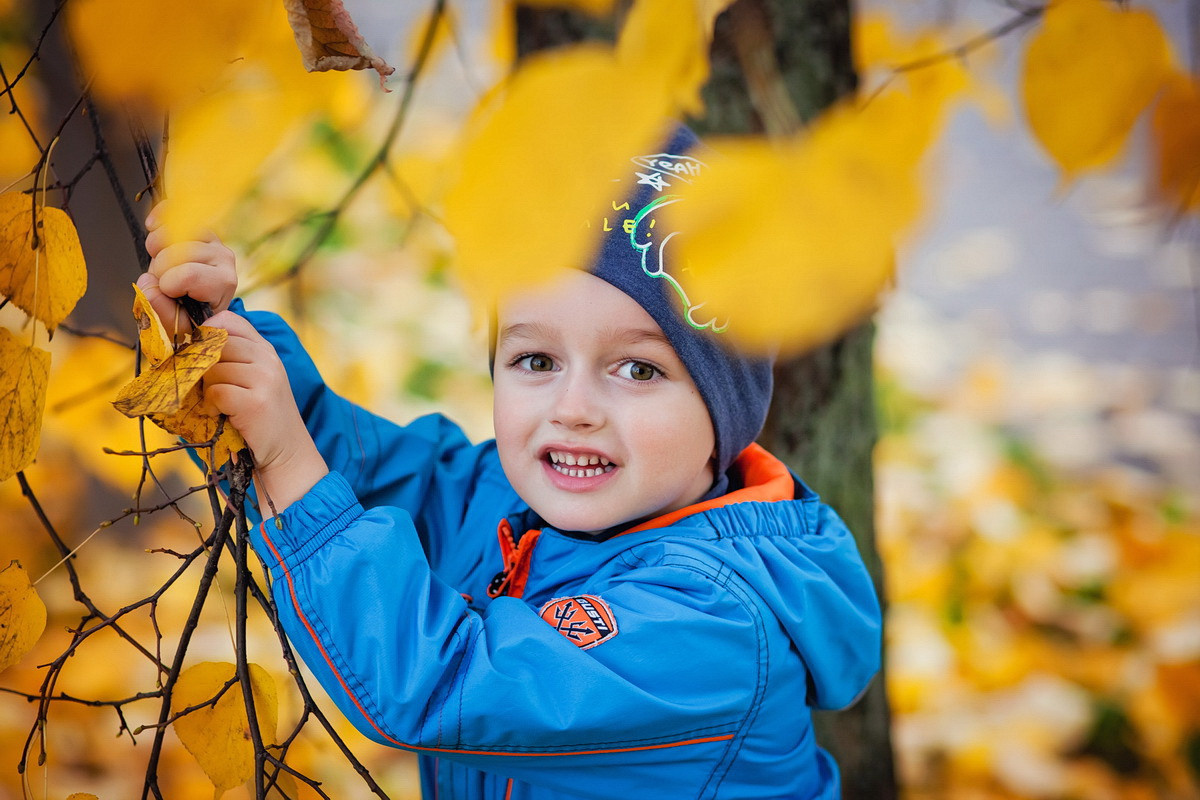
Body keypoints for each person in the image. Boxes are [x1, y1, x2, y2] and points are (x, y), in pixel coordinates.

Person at [139, 125, 882, 800]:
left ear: (726, 413)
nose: (574, 408)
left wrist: (283, 457)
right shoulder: (511, 498)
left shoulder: (712, 625)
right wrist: (228, 345)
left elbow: (441, 682)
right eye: (536, 359)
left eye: (638, 370)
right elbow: (382, 479)